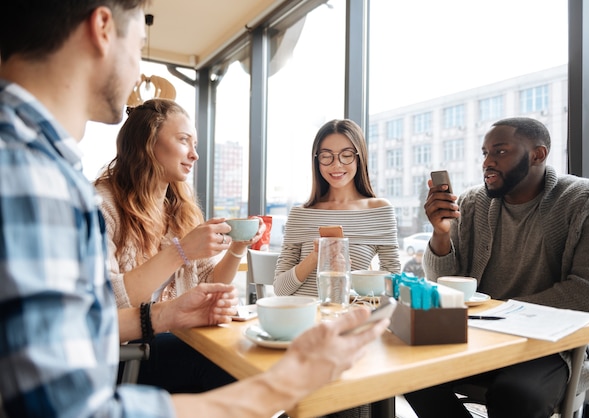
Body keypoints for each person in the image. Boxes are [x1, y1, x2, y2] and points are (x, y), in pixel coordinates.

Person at [0, 2, 389, 417]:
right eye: (141, 41)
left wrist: (170, 310)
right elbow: (68, 406)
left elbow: (79, 325)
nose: (138, 72)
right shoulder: (36, 177)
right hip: (134, 363)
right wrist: (281, 386)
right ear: (103, 27)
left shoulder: (51, 171)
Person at [404, 117, 589, 418]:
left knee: (517, 395)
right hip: (478, 337)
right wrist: (441, 234)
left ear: (538, 154)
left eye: (500, 151)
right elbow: (445, 283)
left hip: (551, 346)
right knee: (403, 370)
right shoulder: (471, 203)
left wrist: (500, 314)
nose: (488, 162)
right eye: (484, 153)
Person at [94, 99, 264, 309]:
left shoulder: (182, 209)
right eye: (184, 140)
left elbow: (209, 281)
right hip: (133, 341)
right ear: (147, 143)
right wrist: (182, 250)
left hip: (179, 333)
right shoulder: (101, 206)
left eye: (195, 145)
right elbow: (106, 299)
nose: (195, 155)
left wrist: (238, 246)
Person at [274, 119, 401, 298]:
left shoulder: (380, 210)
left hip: (347, 318)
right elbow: (280, 290)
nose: (336, 165)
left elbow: (392, 286)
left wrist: (344, 279)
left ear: (359, 157)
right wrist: (316, 257)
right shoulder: (300, 214)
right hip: (300, 318)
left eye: (346, 154)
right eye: (326, 156)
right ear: (317, 160)